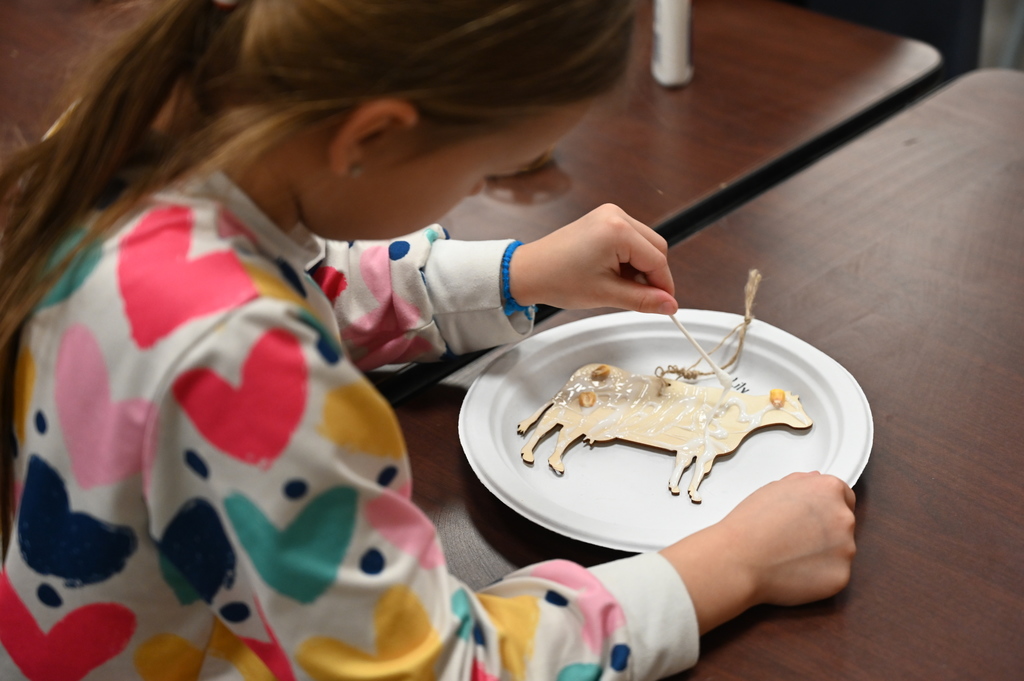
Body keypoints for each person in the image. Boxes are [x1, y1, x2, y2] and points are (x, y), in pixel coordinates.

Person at [0, 0, 856, 679]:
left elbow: (306, 275)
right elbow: (435, 667)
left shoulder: (138, 129)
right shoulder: (238, 357)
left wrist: (519, 273)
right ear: (370, 136)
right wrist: (727, 566)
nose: (482, 187)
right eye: (486, 168)